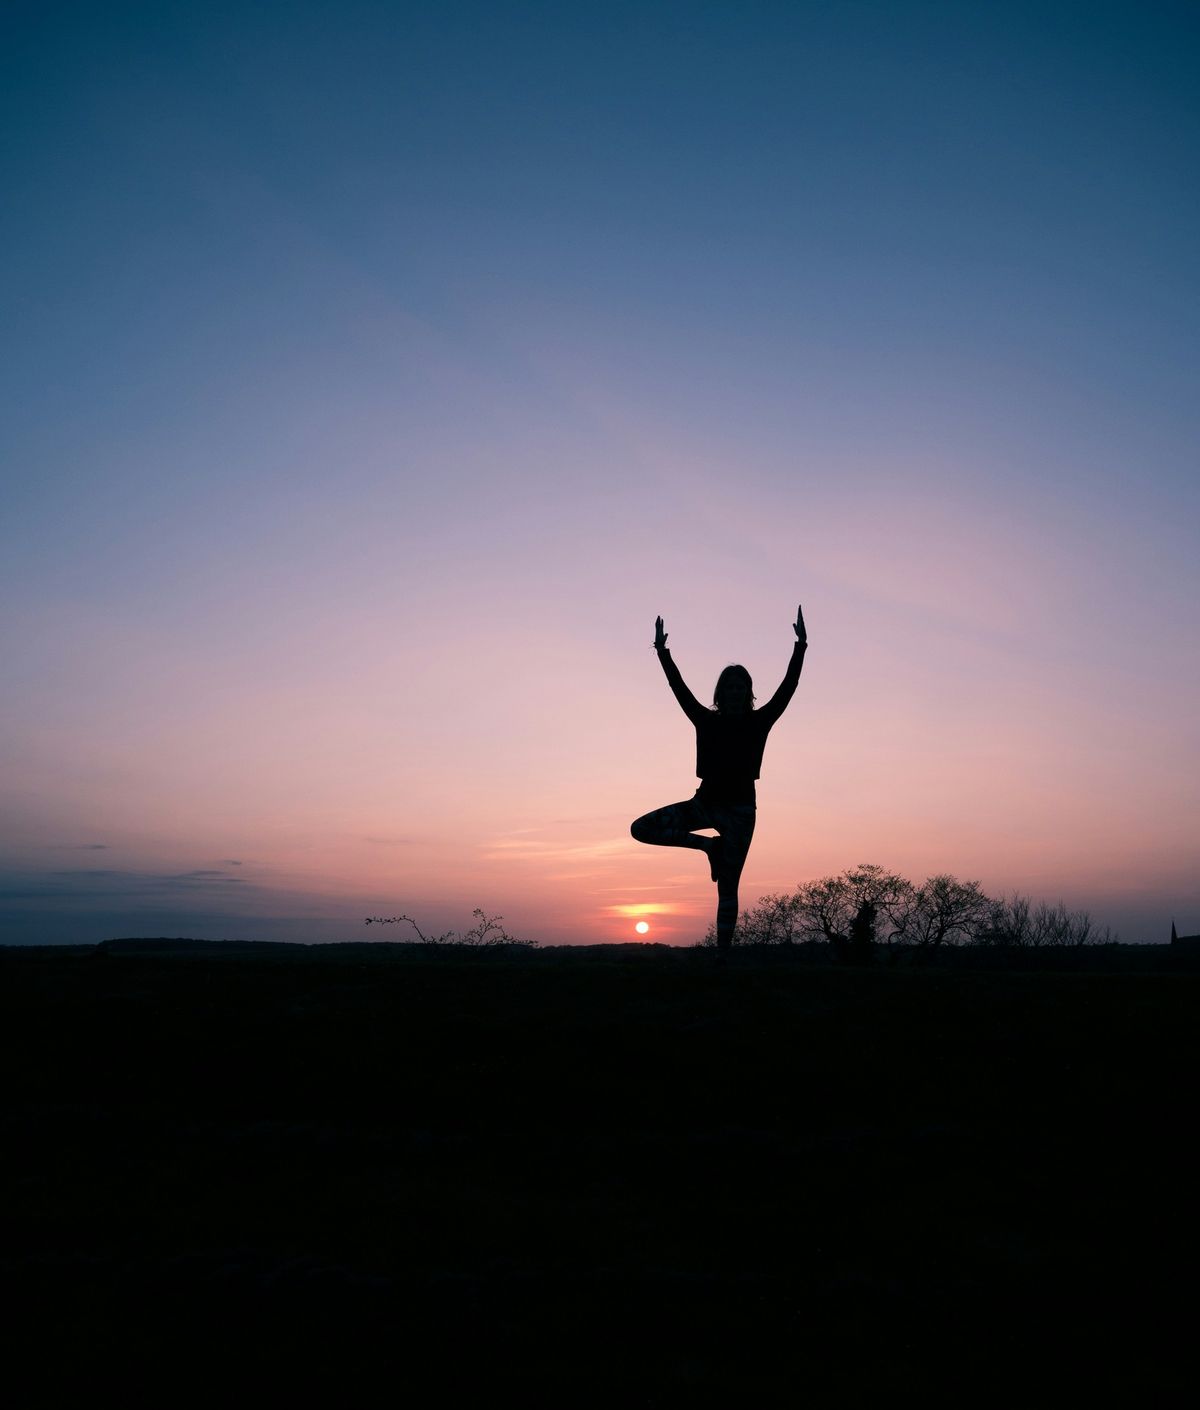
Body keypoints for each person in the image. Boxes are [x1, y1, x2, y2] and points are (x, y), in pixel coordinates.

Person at [631, 605, 807, 951]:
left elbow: (789, 686)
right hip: (705, 805)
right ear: (720, 693)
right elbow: (677, 688)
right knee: (641, 828)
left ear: (748, 692)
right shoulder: (705, 720)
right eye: (729, 687)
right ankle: (709, 847)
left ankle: (722, 959)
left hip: (741, 813)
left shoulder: (760, 721)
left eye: (740, 687)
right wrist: (662, 652)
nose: (735, 692)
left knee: (728, 889)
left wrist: (800, 646)